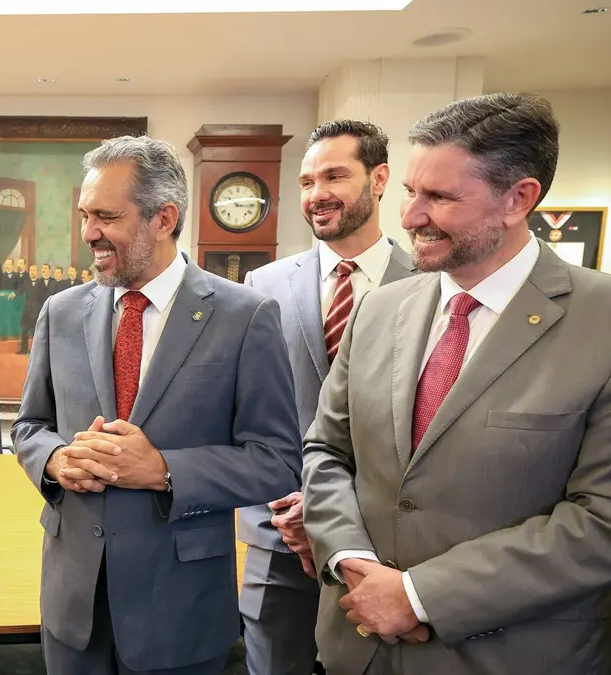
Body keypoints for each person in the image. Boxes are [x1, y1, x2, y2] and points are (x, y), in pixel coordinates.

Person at [303, 93, 611, 675]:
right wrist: (347, 556)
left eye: (440, 197)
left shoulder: (609, 323)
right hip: (356, 646)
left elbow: (607, 519)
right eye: (409, 192)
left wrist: (422, 595)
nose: (409, 217)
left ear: (519, 198)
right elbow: (327, 450)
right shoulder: (378, 309)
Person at [12, 135, 301, 675]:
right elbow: (30, 426)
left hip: (180, 610)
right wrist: (54, 460)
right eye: (84, 215)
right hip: (73, 607)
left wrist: (164, 469)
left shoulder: (246, 316)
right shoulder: (60, 312)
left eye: (106, 216)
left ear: (164, 218)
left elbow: (278, 460)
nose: (88, 234)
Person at [236, 120, 415, 675]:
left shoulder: (432, 283)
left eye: (335, 175)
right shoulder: (262, 286)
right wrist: (292, 511)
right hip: (278, 536)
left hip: (389, 547)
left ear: (379, 178)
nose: (317, 194)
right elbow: (245, 413)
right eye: (308, 181)